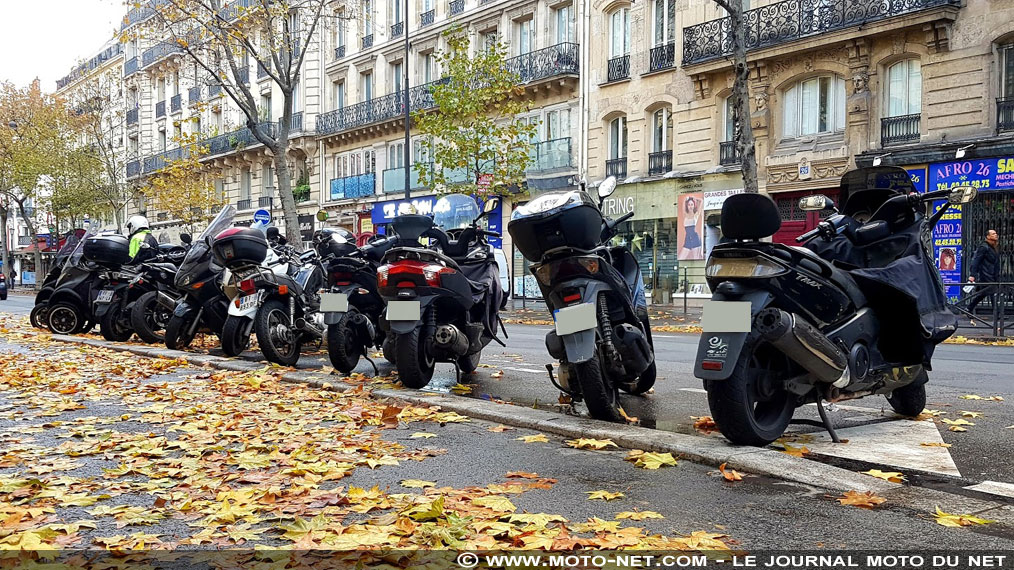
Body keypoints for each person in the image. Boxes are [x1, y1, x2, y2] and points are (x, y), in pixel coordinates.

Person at [967, 229, 1000, 319]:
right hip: (986, 274)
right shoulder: (984, 247)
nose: (996, 235)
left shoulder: (993, 247)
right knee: (993, 292)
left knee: (983, 294)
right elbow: (976, 261)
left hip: (992, 274)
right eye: (993, 234)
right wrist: (973, 274)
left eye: (996, 233)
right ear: (988, 236)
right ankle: (997, 315)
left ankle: (969, 308)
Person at [679, 196, 703, 260]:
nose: (690, 206)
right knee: (681, 258)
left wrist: (694, 198)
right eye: (689, 205)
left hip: (695, 239)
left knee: (696, 259)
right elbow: (684, 202)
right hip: (687, 240)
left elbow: (701, 201)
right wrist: (686, 198)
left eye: (692, 204)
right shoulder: (685, 214)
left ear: (694, 205)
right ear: (687, 206)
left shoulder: (696, 215)